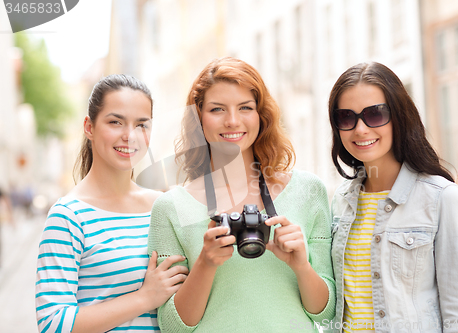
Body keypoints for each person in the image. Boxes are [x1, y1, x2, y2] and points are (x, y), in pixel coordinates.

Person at [148, 57, 335, 332]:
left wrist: (302, 266)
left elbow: (326, 315)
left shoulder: (308, 191)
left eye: (245, 107)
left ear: (262, 115)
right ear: (198, 117)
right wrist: (205, 263)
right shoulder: (170, 208)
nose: (232, 121)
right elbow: (172, 327)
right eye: (217, 109)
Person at [328, 62, 458, 332]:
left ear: (399, 116)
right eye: (346, 117)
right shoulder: (340, 201)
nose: (360, 129)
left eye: (374, 114)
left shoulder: (442, 199)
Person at [35, 74, 188, 333]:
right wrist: (144, 297)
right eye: (115, 122)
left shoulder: (163, 207)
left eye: (142, 125)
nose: (130, 135)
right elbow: (53, 324)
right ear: (89, 127)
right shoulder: (68, 216)